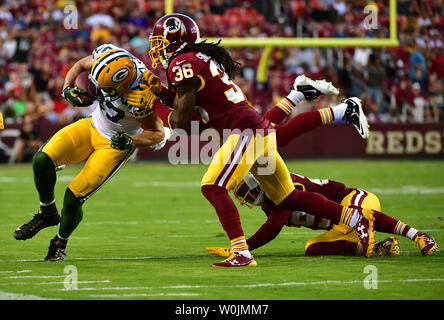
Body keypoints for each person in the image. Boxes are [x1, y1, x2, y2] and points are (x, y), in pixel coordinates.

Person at [125, 13, 373, 267]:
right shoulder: (195, 59)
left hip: (245, 133)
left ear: (175, 40)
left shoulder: (181, 63)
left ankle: (242, 253)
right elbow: (186, 109)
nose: (157, 48)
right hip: (257, 131)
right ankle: (356, 219)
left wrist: (153, 103)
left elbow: (180, 123)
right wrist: (158, 91)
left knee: (212, 186)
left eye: (160, 42)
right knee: (287, 198)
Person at [13, 44, 168, 261]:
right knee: (42, 159)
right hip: (93, 125)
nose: (100, 91)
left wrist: (130, 140)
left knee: (73, 196)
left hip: (114, 144)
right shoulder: (110, 57)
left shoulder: (142, 91)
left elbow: (157, 133)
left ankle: (60, 242)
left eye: (106, 89)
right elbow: (79, 64)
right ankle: (47, 212)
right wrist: (67, 87)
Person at [206, 172, 437, 257]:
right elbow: (273, 224)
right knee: (312, 248)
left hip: (352, 199)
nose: (248, 196)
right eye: (243, 194)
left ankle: (418, 235)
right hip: (340, 225)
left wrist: (240, 247)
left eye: (249, 189)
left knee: (360, 214)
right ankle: (381, 247)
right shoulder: (269, 204)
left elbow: (273, 228)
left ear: (260, 181)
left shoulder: (281, 183)